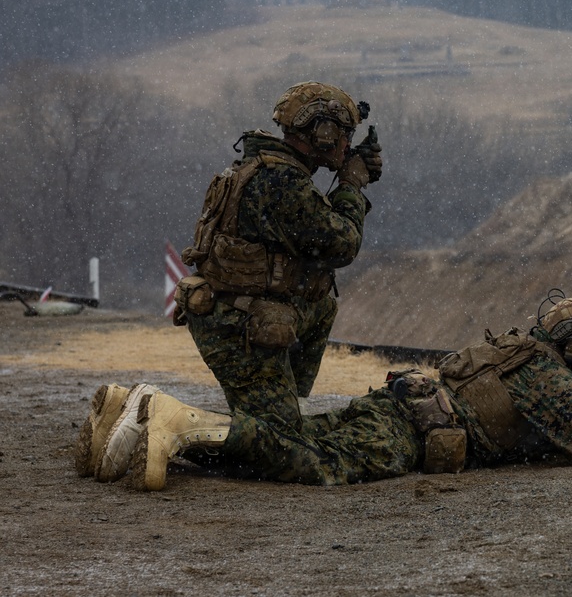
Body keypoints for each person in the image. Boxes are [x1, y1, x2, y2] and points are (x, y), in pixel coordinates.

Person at [74, 81, 384, 483]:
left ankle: (126, 411)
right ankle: (166, 414)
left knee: (320, 306)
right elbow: (342, 245)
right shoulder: (282, 182)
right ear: (321, 134)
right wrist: (351, 186)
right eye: (342, 134)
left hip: (234, 313)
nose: (345, 143)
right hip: (239, 325)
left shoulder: (267, 168)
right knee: (279, 450)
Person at [85, 295, 572, 491]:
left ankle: (134, 411)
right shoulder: (551, 376)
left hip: (396, 404)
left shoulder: (519, 351)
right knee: (315, 465)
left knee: (283, 441)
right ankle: (178, 422)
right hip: (408, 431)